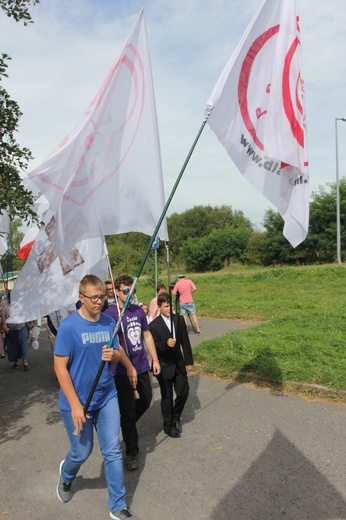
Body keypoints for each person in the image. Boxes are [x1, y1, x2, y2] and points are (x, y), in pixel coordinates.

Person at [54, 274, 139, 520]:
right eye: (93, 298)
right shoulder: (69, 328)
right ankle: (67, 475)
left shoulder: (108, 321)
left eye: (102, 296)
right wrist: (75, 406)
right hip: (77, 401)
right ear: (81, 298)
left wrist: (125, 363)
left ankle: (117, 505)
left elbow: (117, 348)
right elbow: (60, 368)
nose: (99, 302)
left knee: (112, 450)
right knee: (82, 452)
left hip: (106, 395)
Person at [105, 275, 161, 471]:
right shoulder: (111, 314)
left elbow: (146, 335)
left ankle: (126, 424)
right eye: (126, 291)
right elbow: (116, 344)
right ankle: (132, 452)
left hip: (142, 366)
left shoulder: (138, 311)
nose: (130, 294)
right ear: (117, 292)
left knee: (146, 400)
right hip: (121, 371)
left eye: (132, 290)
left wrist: (154, 359)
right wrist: (128, 367)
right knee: (128, 411)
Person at [149, 292, 194, 438]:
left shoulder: (179, 320)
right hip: (164, 366)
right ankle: (168, 426)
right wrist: (165, 344)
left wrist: (189, 360)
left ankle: (176, 415)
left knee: (184, 391)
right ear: (159, 307)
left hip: (178, 363)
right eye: (166, 306)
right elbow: (154, 346)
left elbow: (185, 341)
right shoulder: (154, 326)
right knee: (166, 396)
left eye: (171, 306)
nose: (169, 309)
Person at [1, 290, 32, 370]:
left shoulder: (20, 304)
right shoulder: (5, 305)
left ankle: (25, 361)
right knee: (13, 346)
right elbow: (3, 316)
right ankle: (16, 361)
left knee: (23, 344)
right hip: (10, 329)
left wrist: (31, 322)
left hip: (21, 327)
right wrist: (4, 327)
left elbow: (26, 313)